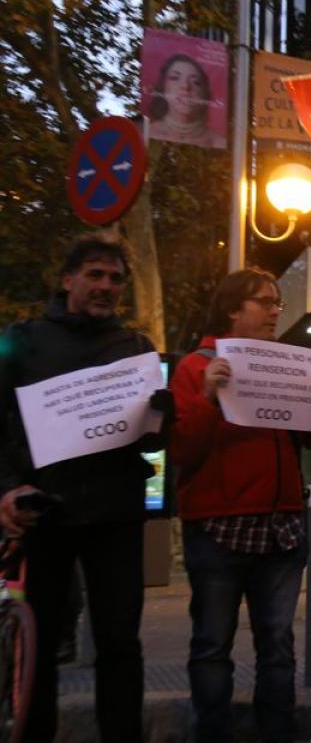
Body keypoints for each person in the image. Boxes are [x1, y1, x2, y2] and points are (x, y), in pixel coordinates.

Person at [0, 233, 172, 742]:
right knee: (42, 645)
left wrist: (163, 415)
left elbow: (150, 444)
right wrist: (7, 490)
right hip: (43, 515)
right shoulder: (22, 341)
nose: (106, 286)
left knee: (121, 643)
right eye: (95, 275)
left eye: (115, 278)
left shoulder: (136, 349)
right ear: (67, 279)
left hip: (115, 515)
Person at [169, 267, 311, 743]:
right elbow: (182, 450)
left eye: (276, 303)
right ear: (232, 310)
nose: (273, 311)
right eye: (264, 302)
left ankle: (278, 732)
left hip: (280, 527)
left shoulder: (283, 365)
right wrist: (207, 398)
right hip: (217, 529)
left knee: (279, 648)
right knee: (211, 646)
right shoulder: (193, 368)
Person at [146, 52, 224, 148]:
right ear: (163, 87)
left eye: (196, 82)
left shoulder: (218, 142)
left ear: (205, 93)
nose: (185, 86)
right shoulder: (147, 133)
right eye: (175, 78)